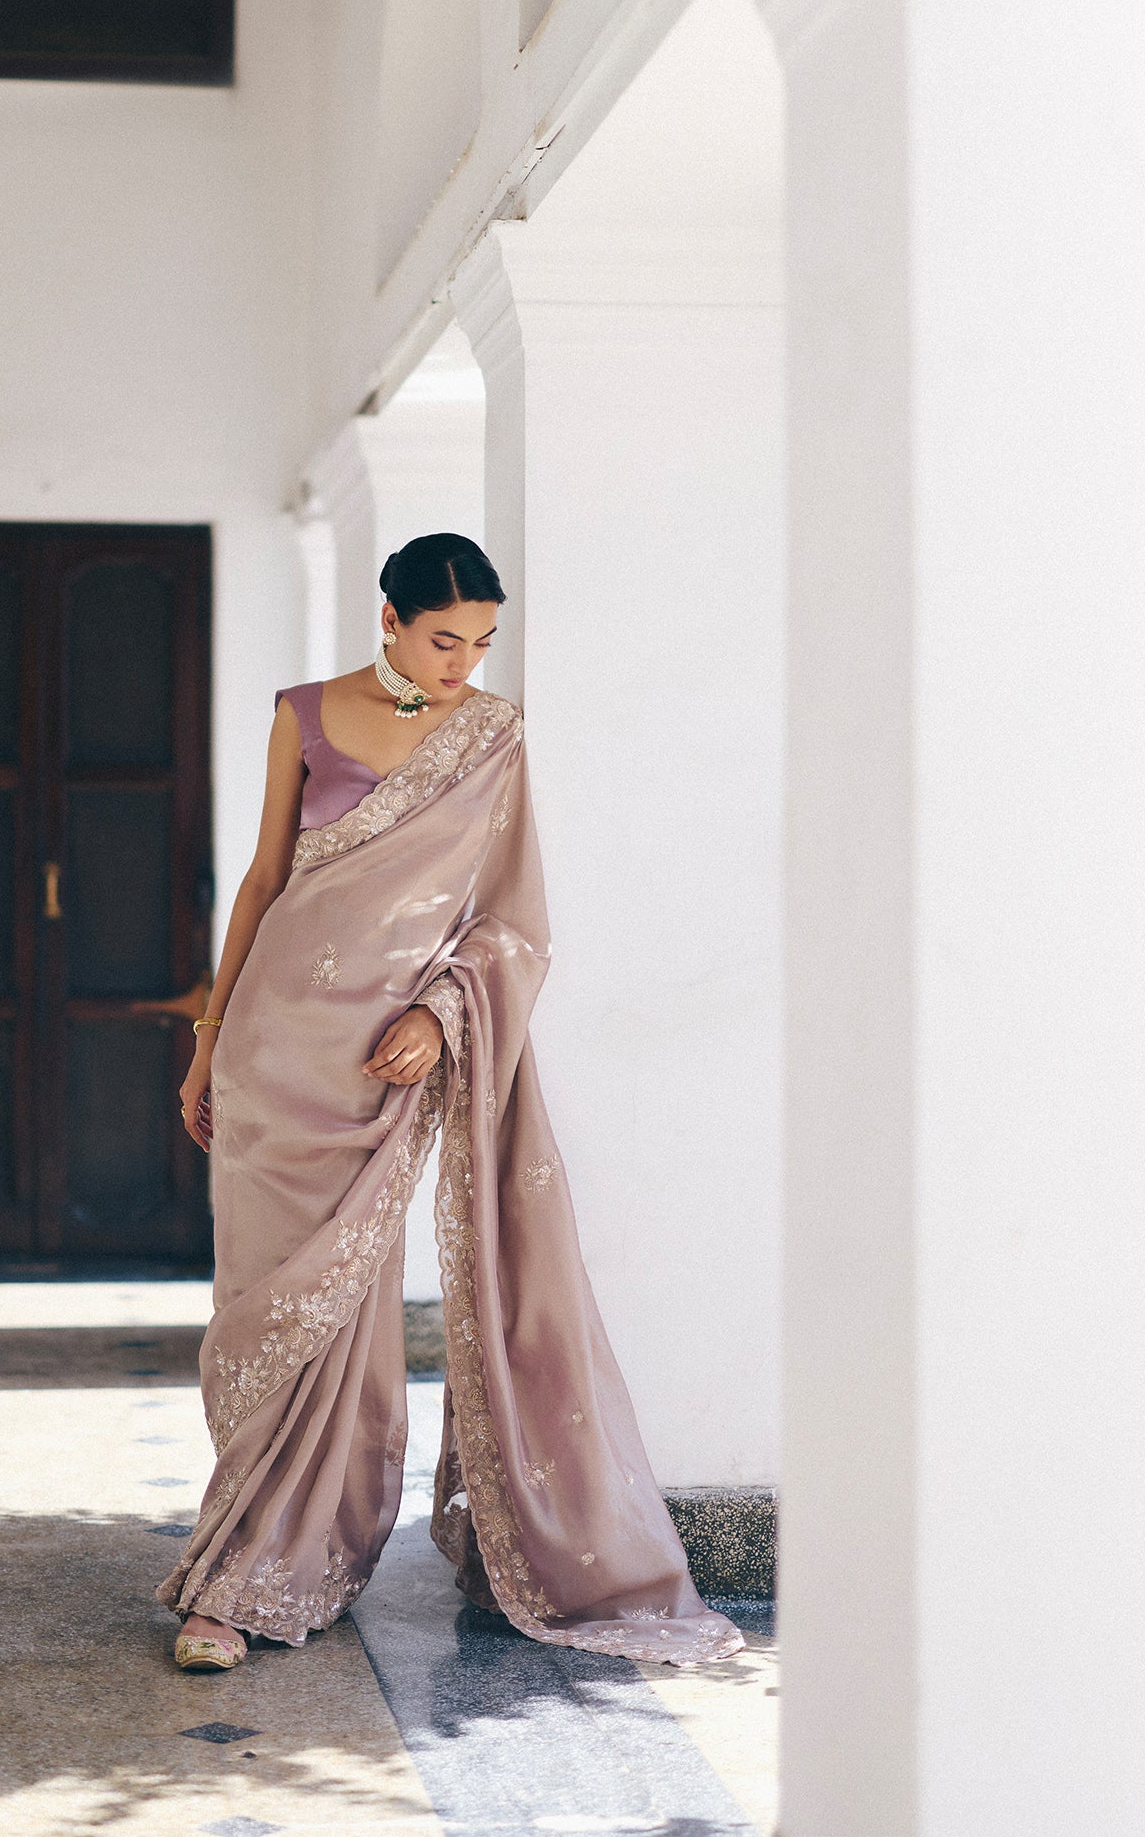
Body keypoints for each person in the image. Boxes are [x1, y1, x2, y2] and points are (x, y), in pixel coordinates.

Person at [158, 532, 746, 1673]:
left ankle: (267, 1574)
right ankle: (244, 1552)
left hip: (387, 1065)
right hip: (275, 1052)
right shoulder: (304, 714)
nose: (462, 665)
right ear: (388, 621)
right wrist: (208, 1042)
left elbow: (513, 919)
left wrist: (443, 1013)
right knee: (263, 1320)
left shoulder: (492, 737)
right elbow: (266, 879)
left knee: (348, 1316)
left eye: (480, 643)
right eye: (442, 640)